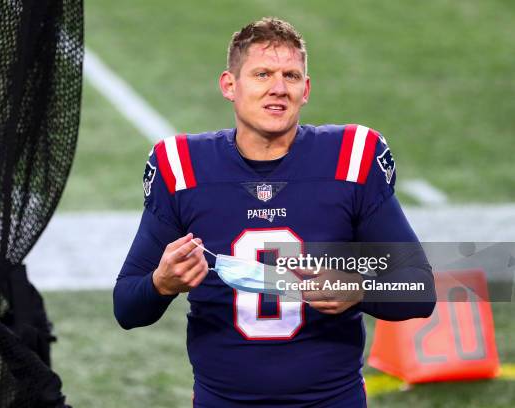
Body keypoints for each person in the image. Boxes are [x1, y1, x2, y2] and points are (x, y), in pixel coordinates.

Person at [114, 17, 436, 407]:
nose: (278, 89)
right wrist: (161, 283)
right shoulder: (181, 165)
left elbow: (420, 288)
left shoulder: (352, 158)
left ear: (307, 89)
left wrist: (358, 287)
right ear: (229, 86)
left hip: (331, 400)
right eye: (262, 74)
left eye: (291, 76)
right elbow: (127, 306)